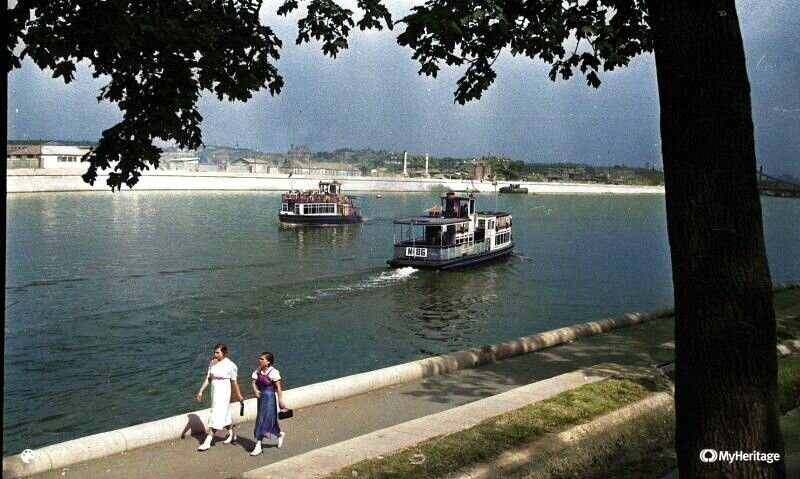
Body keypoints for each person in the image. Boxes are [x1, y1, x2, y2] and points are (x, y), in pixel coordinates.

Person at [195, 343, 244, 451]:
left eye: (218, 352)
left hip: (224, 390)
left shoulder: (230, 365)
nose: (215, 354)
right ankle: (232, 434)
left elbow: (234, 382)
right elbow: (208, 378)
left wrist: (238, 395)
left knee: (217, 414)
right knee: (223, 413)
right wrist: (201, 391)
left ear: (224, 353)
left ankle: (208, 440)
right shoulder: (212, 363)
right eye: (214, 352)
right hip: (215, 390)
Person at [250, 352, 287, 456]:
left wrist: (280, 401)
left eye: (262, 359)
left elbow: (278, 388)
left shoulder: (274, 372)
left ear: (268, 362)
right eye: (260, 359)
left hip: (270, 398)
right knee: (261, 419)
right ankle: (278, 435)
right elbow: (253, 382)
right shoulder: (258, 370)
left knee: (267, 419)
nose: (260, 361)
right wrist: (255, 391)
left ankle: (258, 445)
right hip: (261, 399)